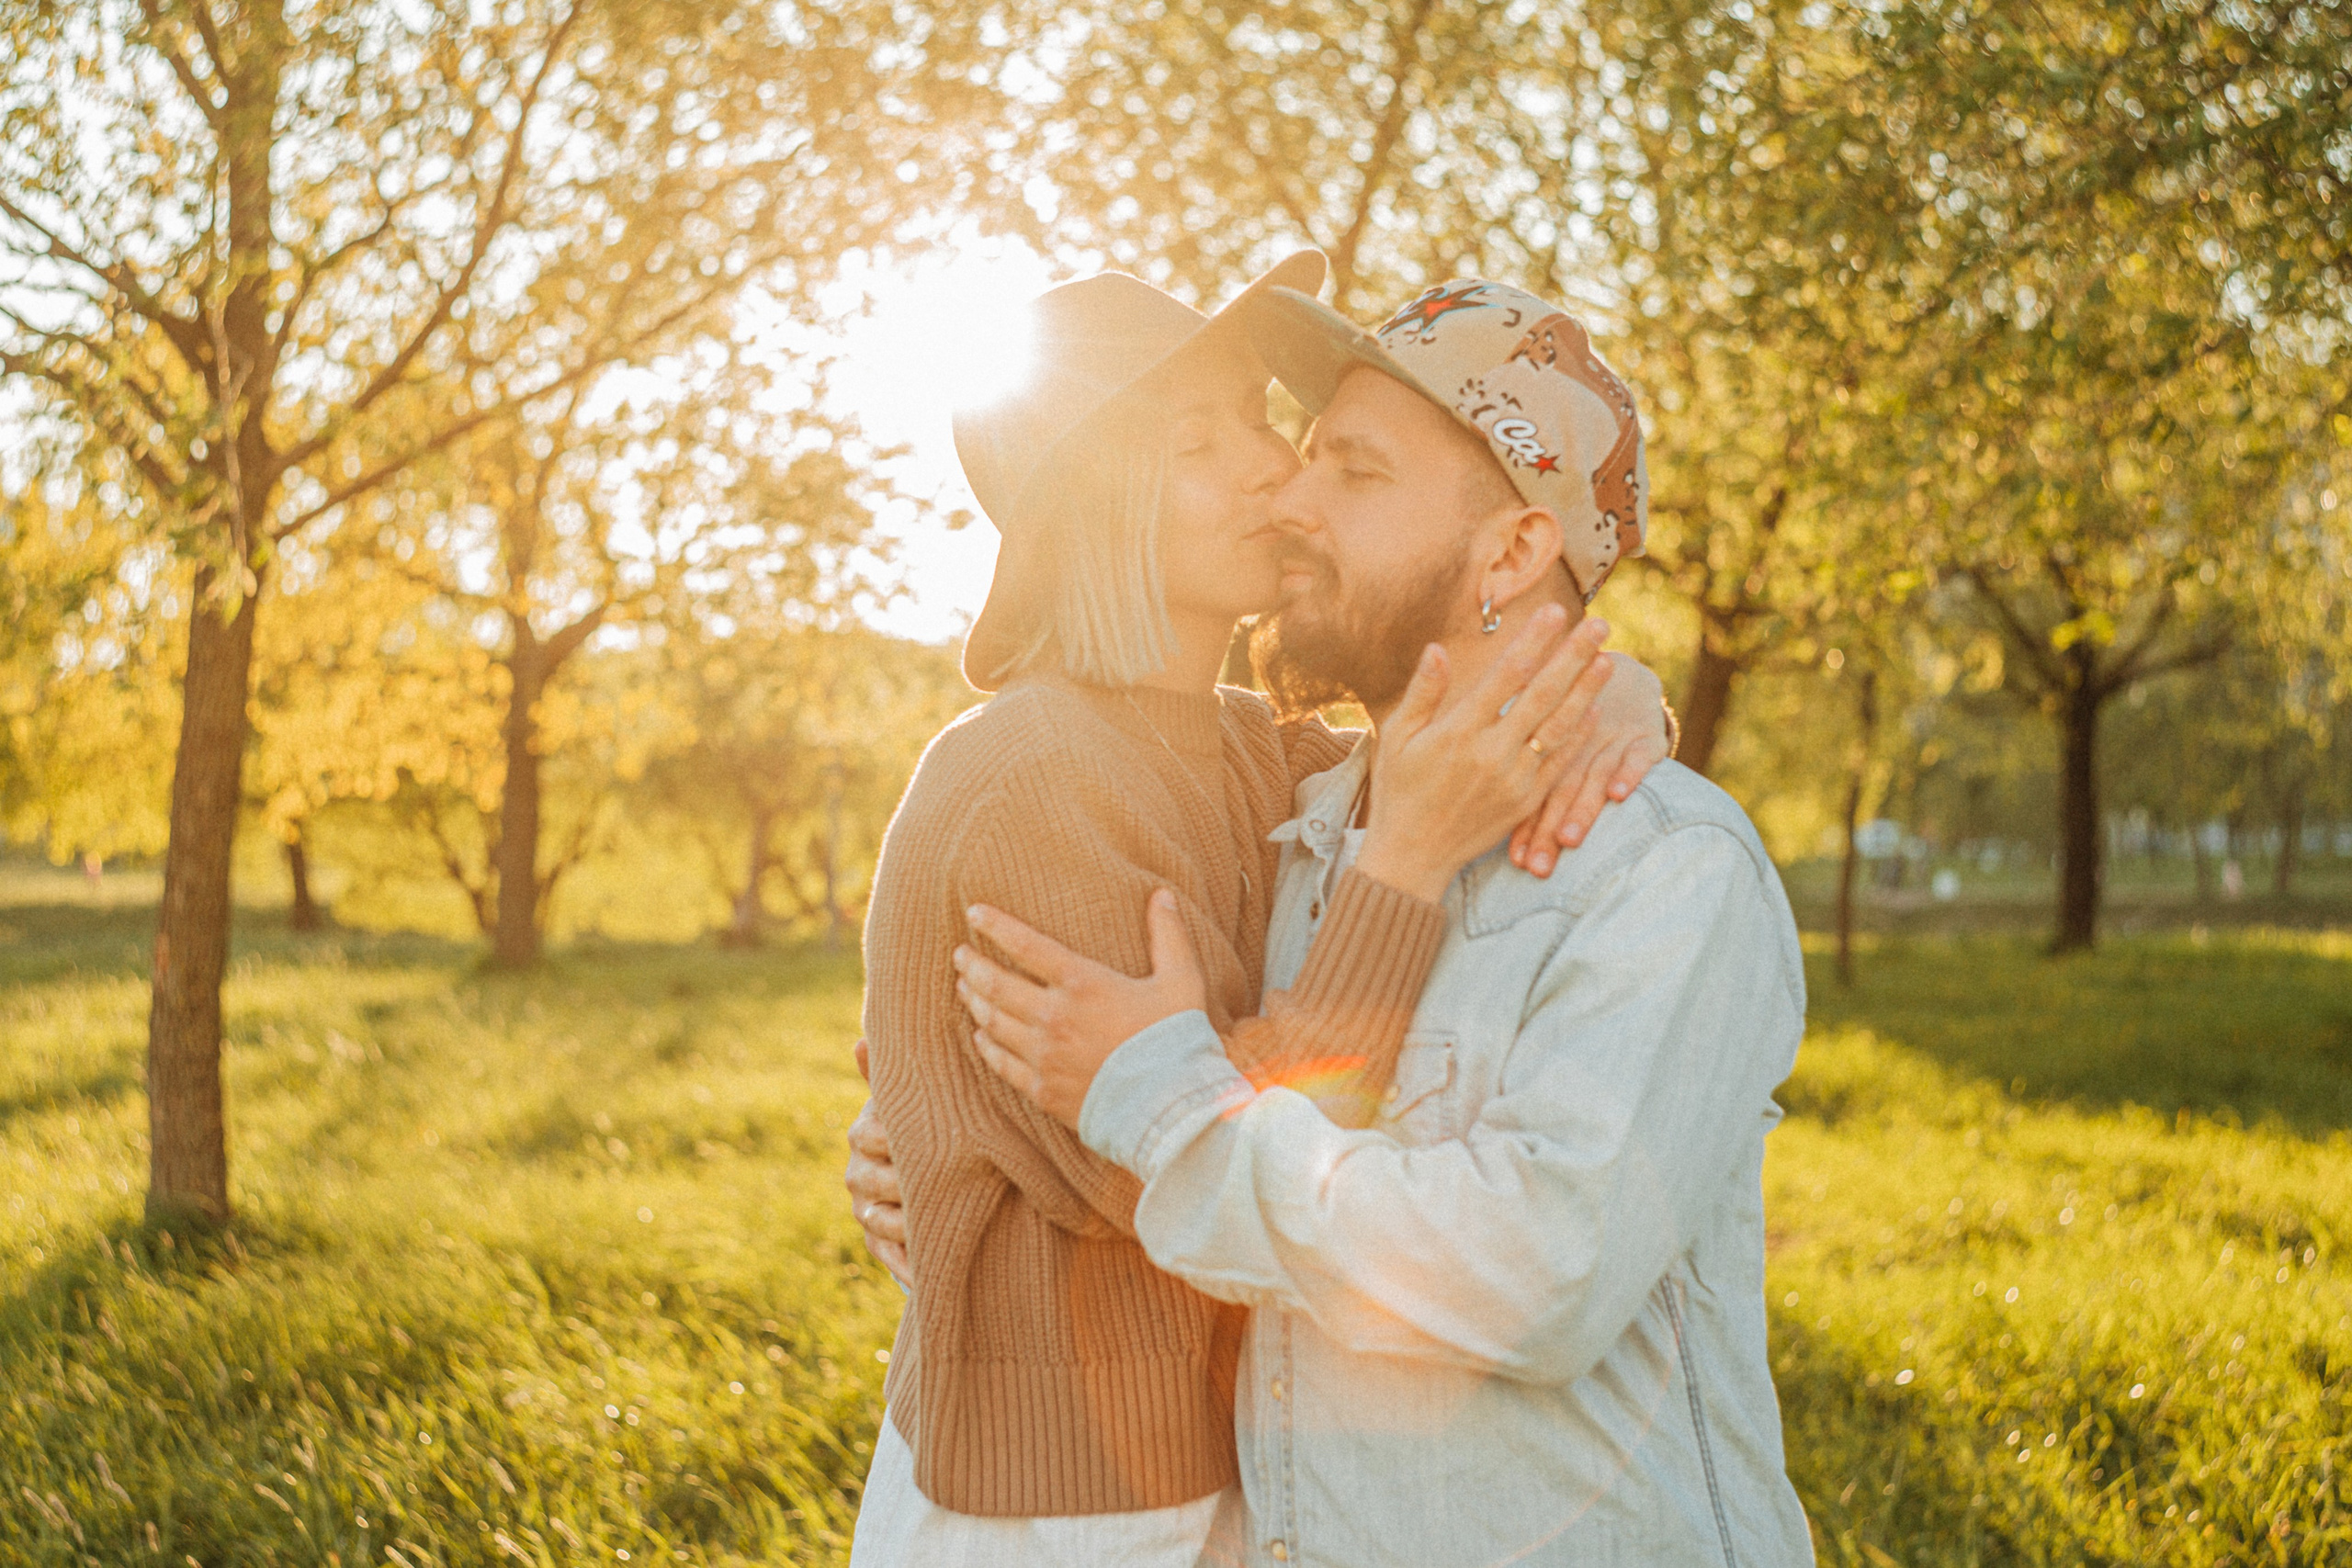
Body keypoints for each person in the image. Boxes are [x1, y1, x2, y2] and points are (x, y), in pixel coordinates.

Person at [946, 279, 1815, 1566]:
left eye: (1352, 471)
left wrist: (1158, 1101)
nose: (1290, 500)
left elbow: (1537, 1271)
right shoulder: (1287, 825)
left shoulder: (1663, 869)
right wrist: (944, 1167)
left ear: (1514, 553)